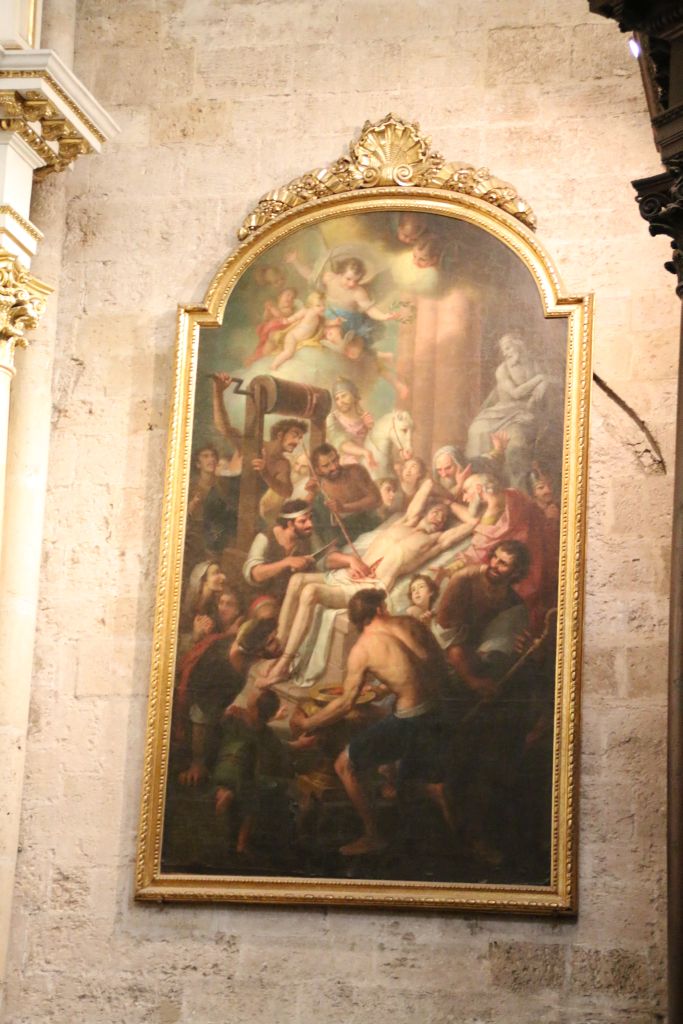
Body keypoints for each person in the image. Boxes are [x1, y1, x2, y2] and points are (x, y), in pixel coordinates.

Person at [266, 475, 476, 682]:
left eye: (444, 517)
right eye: (436, 512)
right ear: (425, 511)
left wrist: (449, 503)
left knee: (310, 592)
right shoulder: (405, 521)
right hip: (349, 575)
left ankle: (284, 663)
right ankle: (280, 645)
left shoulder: (436, 540)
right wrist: (443, 499)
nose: (439, 518)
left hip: (369, 587)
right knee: (297, 580)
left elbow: (472, 522)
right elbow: (428, 483)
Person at [289, 589, 451, 854]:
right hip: (439, 713)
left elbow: (345, 703)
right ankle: (432, 791)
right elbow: (431, 669)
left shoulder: (363, 648)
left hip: (411, 720)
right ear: (380, 609)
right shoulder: (411, 624)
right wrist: (388, 688)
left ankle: (374, 835)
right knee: (400, 765)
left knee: (344, 764)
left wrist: (308, 724)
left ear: (357, 619)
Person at [176, 616, 281, 787]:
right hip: (192, 728)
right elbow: (200, 716)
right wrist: (197, 762)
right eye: (270, 642)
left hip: (215, 714)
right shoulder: (219, 671)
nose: (277, 643)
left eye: (274, 637)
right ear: (256, 651)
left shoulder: (241, 646)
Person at [436, 541, 531, 698]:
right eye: (494, 557)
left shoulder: (514, 604)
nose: (494, 565)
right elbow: (443, 628)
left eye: (503, 563)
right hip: (449, 645)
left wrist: (518, 645)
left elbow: (502, 642)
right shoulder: (464, 578)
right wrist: (470, 677)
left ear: (515, 572)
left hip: (480, 652)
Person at [466, 333, 549, 487]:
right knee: (476, 430)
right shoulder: (502, 369)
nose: (505, 353)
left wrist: (544, 382)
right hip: (502, 411)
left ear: (518, 345)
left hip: (523, 413)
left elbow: (546, 388)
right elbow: (516, 393)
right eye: (503, 350)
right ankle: (477, 483)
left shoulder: (534, 365)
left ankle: (518, 489)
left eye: (508, 348)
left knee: (516, 444)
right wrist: (540, 379)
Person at [285, 250, 401, 342]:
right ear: (340, 273)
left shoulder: (358, 292)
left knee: (333, 337)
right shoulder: (330, 278)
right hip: (325, 314)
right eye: (348, 279)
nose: (351, 284)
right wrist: (295, 261)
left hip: (346, 322)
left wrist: (384, 316)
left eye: (356, 280)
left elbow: (370, 309)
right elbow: (310, 276)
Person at [306, 442, 381, 545]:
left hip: (372, 527)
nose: (334, 467)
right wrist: (310, 494)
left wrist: (344, 508)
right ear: (317, 470)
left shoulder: (356, 471)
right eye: (326, 466)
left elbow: (376, 499)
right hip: (345, 540)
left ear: (338, 457)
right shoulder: (319, 489)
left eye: (335, 460)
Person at [242, 499, 315, 603]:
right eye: (303, 521)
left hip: (290, 596)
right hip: (262, 596)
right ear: (290, 524)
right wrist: (286, 562)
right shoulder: (264, 538)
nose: (310, 524)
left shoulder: (307, 537)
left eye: (310, 519)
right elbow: (255, 574)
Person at [252, 417, 308, 525]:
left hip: (255, 516)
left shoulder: (283, 464)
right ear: (280, 435)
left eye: (300, 438)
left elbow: (287, 492)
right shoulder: (258, 445)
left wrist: (265, 473)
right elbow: (226, 430)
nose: (297, 442)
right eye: (294, 436)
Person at [325, 378, 377, 471]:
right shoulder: (333, 418)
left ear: (353, 396)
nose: (340, 401)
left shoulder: (364, 418)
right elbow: (340, 442)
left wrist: (371, 428)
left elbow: (377, 445)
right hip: (340, 466)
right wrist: (364, 452)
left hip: (365, 462)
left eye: (344, 396)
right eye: (337, 398)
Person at [269, 291, 326, 370]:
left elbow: (327, 323)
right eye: (318, 305)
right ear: (311, 305)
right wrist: (287, 320)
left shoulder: (319, 317)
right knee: (288, 352)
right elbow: (295, 317)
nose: (322, 308)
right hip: (292, 337)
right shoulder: (306, 311)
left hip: (301, 340)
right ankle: (274, 364)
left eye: (324, 305)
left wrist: (335, 321)